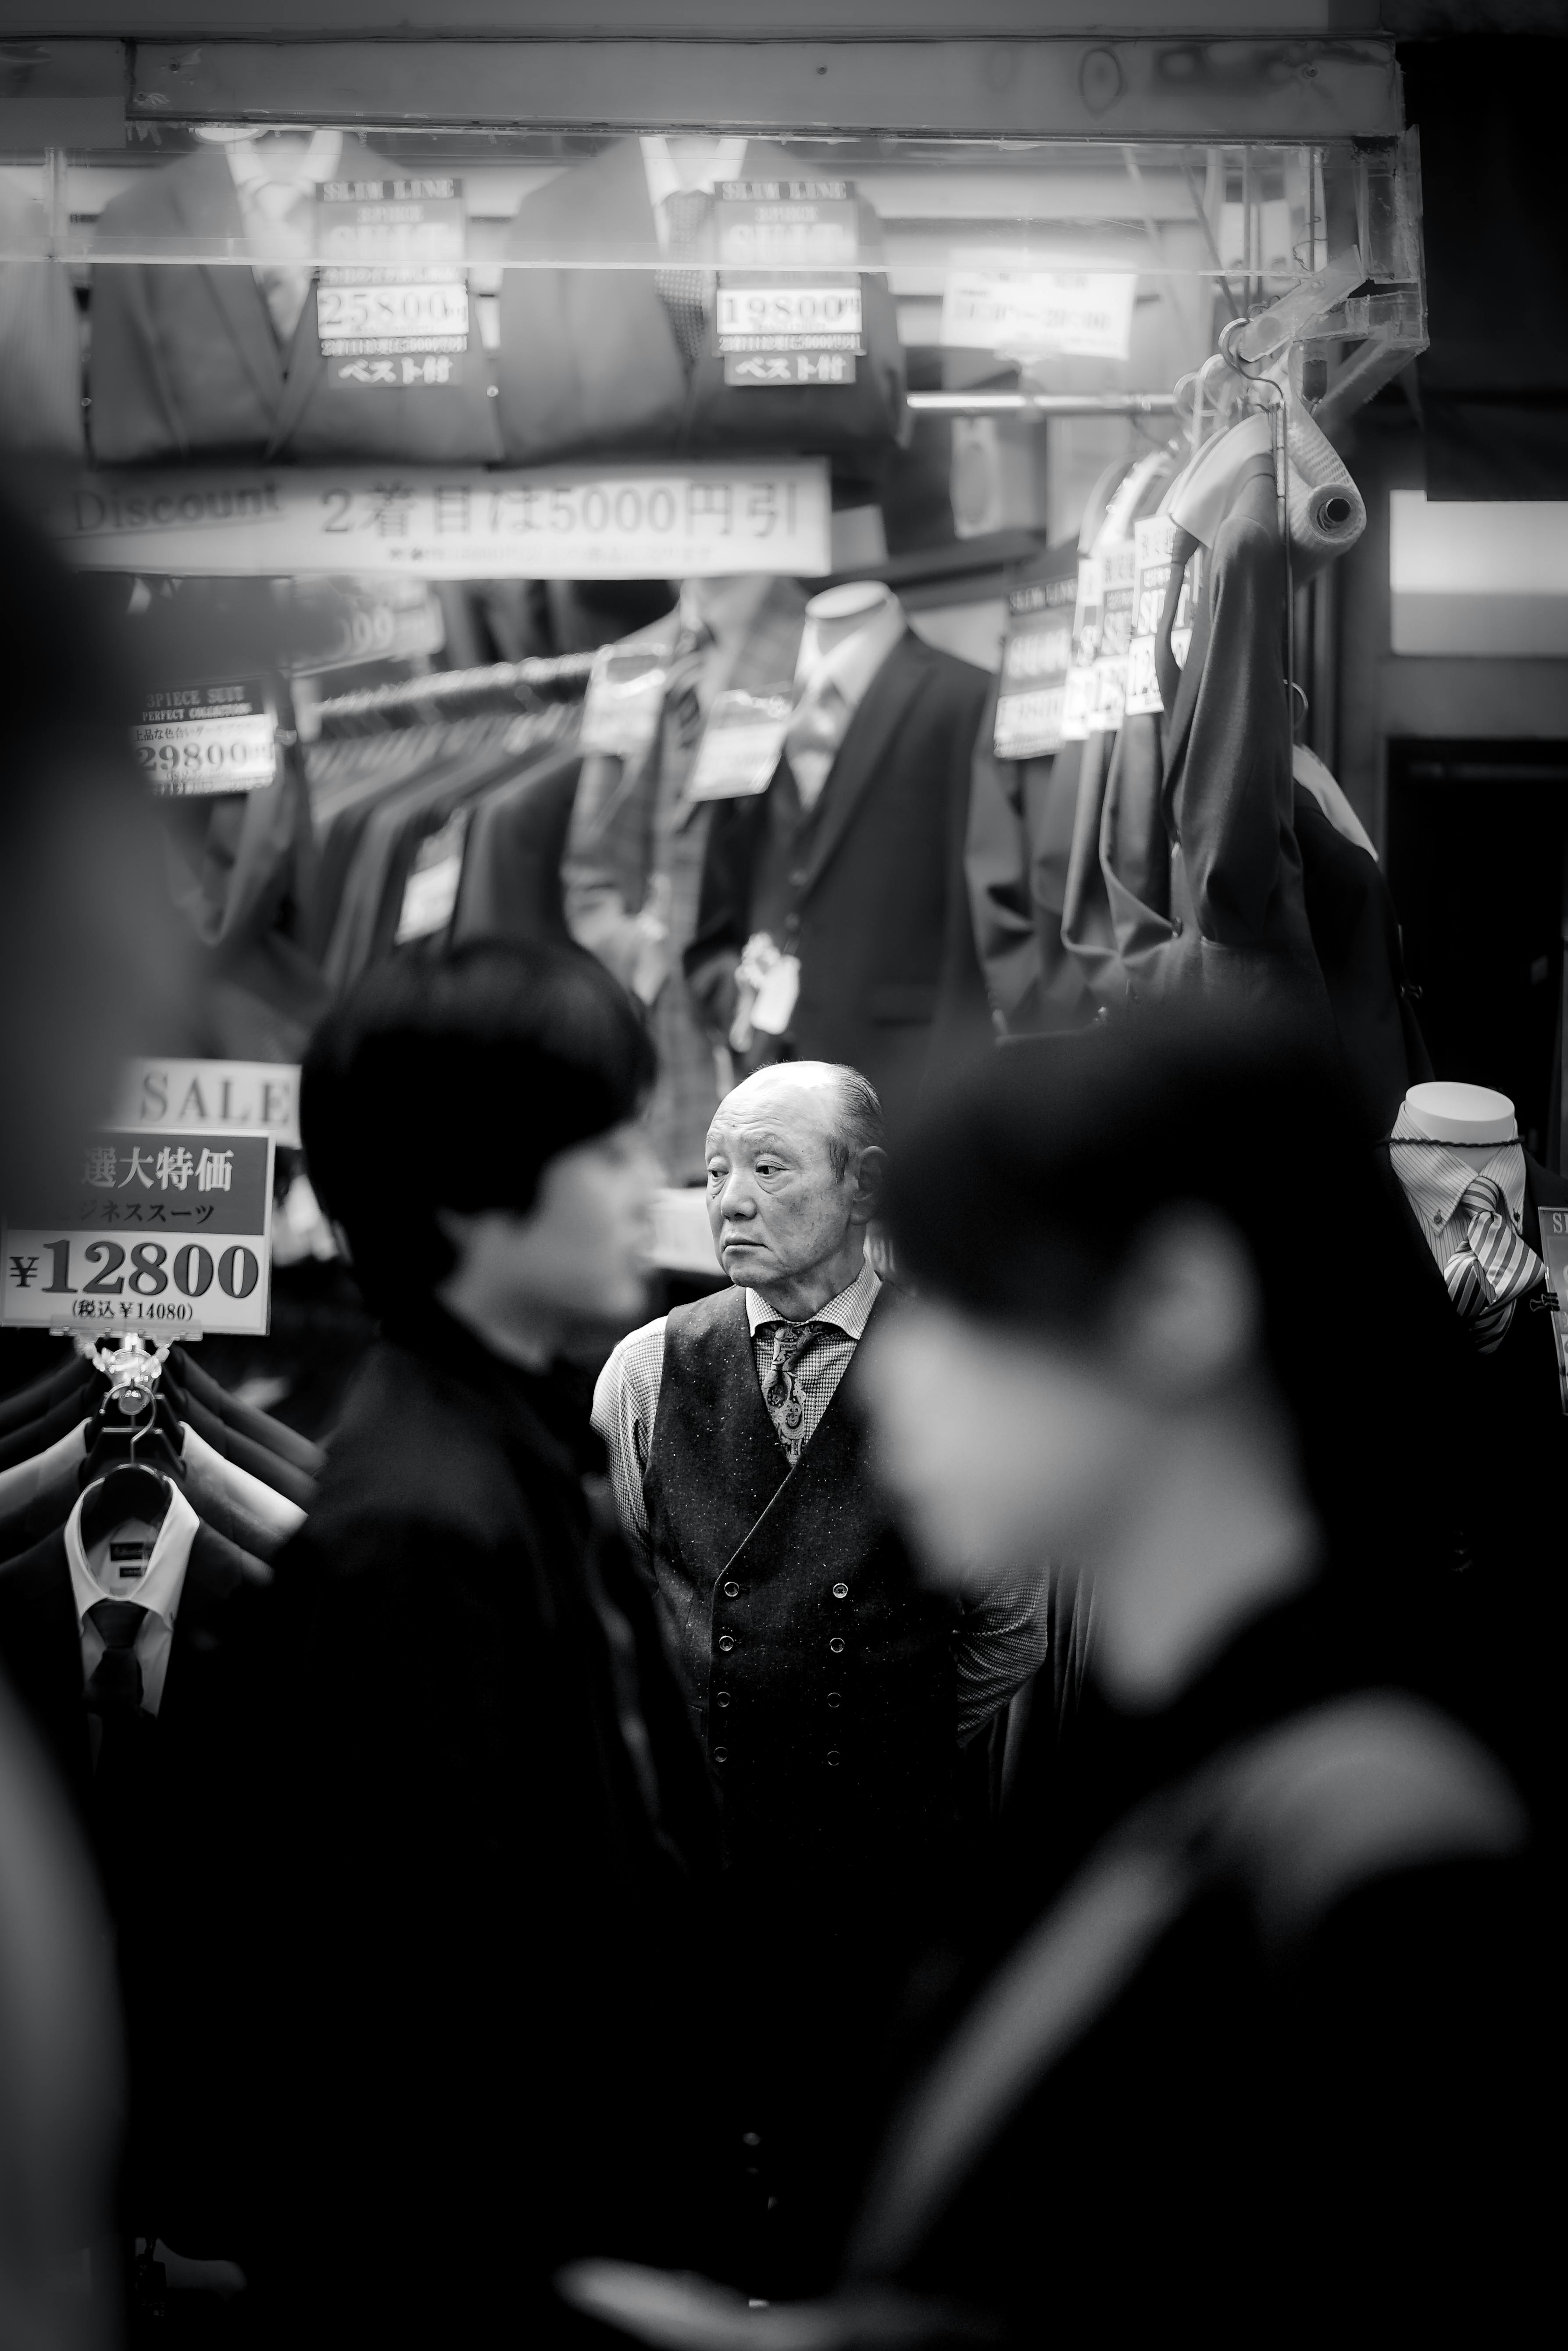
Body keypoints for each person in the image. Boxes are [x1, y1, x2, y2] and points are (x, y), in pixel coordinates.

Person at [565, 1017, 1543, 2347]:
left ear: (1175, 1306)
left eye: (968, 1306)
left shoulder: (1373, 1835)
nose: (897, 1370)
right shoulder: (1150, 1751)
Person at [259, 941, 726, 2348]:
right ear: (466, 1189)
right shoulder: (420, 1529)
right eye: (603, 1138)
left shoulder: (505, 1450)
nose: (651, 1172)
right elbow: (422, 2027)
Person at [593, 1058, 1048, 2287]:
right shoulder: (646, 1372)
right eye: (715, 1171)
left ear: (867, 1187)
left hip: (889, 1875)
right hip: (711, 1869)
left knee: (863, 2186)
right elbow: (621, 1612)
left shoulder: (953, 1363)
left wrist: (884, 1744)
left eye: (769, 1168)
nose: (730, 1199)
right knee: (708, 2189)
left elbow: (1009, 1627)